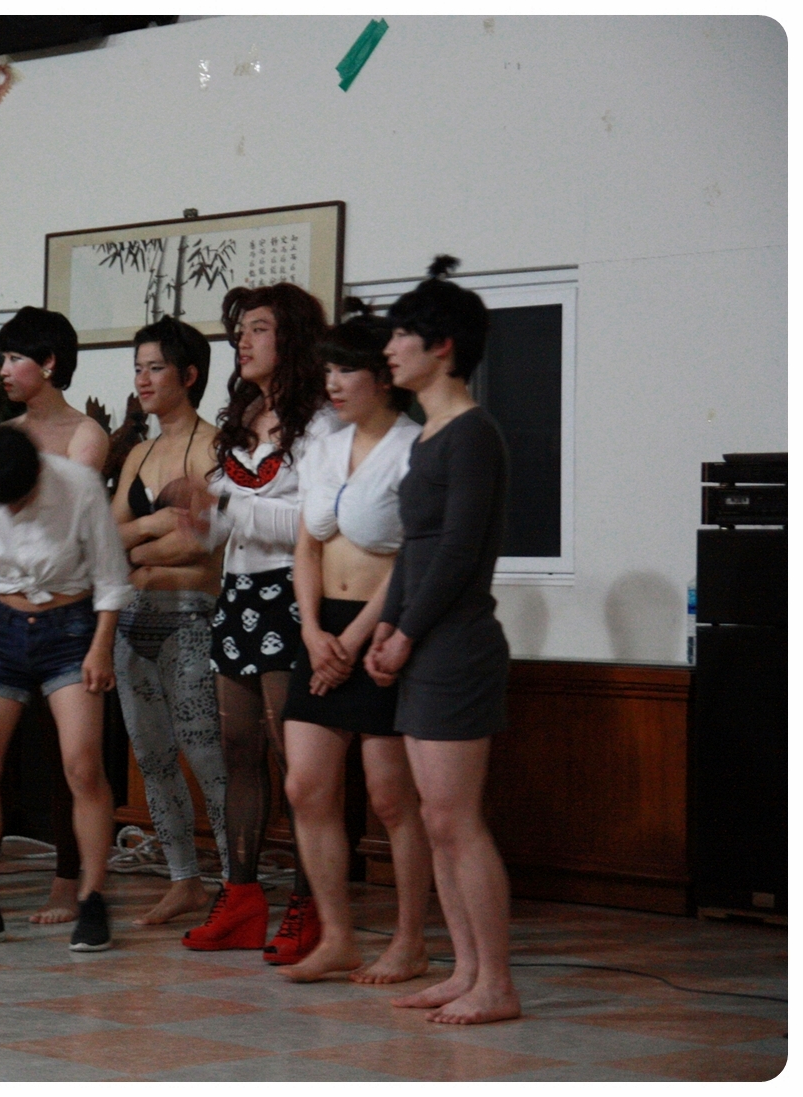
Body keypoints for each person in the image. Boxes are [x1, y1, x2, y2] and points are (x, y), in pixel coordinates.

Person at [367, 256, 519, 1024]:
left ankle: (497, 981)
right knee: (434, 818)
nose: (389, 348)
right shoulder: (429, 437)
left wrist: (407, 631)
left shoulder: (472, 434)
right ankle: (465, 968)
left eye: (403, 335)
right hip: (423, 642)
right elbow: (415, 550)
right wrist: (387, 624)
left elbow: (459, 553)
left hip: (457, 646)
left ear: (444, 346)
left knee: (457, 820)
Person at [180, 283, 340, 957]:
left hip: (294, 595)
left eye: (259, 329)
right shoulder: (243, 414)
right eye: (239, 330)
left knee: (293, 758)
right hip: (239, 591)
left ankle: (312, 903)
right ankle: (241, 896)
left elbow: (317, 522)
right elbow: (224, 524)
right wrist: (196, 516)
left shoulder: (322, 422)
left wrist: (229, 509)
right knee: (237, 748)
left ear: (292, 337)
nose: (242, 342)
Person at [0, 424, 133, 952]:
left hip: (71, 628)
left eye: (20, 499)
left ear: (38, 473)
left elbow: (112, 576)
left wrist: (101, 648)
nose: (11, 510)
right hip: (2, 626)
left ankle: (92, 897)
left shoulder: (78, 484)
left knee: (82, 764)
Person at [278, 302, 433, 983]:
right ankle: (337, 934)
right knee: (305, 785)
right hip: (320, 628)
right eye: (329, 371)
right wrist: (312, 630)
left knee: (391, 798)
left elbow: (412, 558)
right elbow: (306, 546)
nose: (333, 384)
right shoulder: (322, 446)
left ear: (384, 377)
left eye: (346, 371)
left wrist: (350, 638)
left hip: (382, 628)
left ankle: (410, 939)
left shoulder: (414, 447)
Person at [109, 317, 230, 925]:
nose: (143, 380)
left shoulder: (215, 447)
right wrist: (158, 525)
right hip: (133, 620)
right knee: (152, 757)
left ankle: (236, 880)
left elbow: (205, 543)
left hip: (193, 616)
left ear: (189, 375)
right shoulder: (139, 452)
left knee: (207, 755)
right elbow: (108, 539)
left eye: (155, 368)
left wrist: (144, 547)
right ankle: (184, 879)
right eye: (138, 368)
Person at [0, 304, 110, 924]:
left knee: (77, 760)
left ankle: (76, 884)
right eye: (3, 356)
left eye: (15, 357)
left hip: (70, 609)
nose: (3, 368)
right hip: (8, 608)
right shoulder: (5, 433)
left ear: (49, 363)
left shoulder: (85, 433)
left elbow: (66, 519)